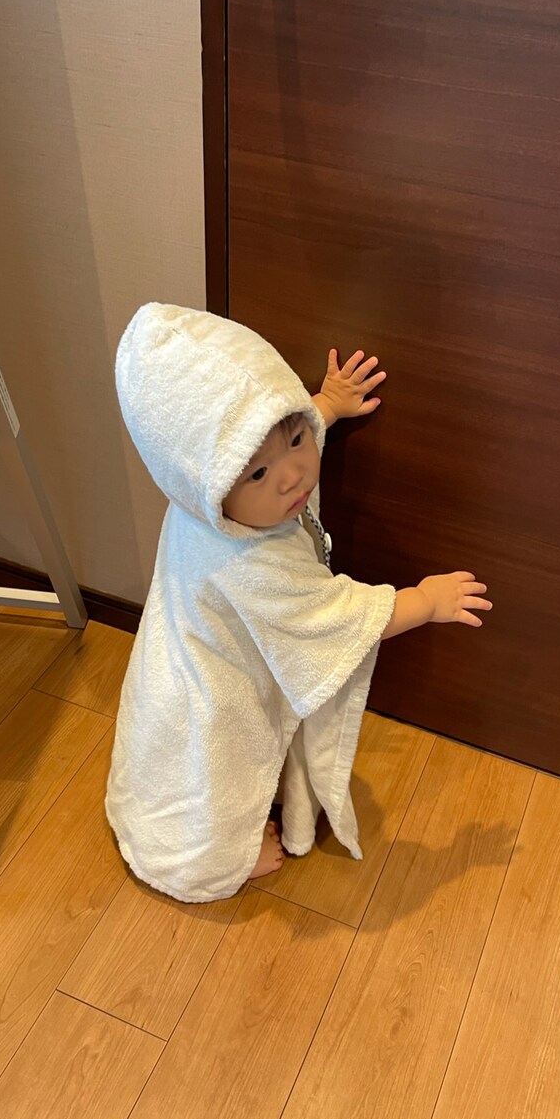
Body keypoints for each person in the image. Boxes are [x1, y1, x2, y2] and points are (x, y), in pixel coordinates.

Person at [106, 303, 492, 902]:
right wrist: (424, 600)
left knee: (173, 757)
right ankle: (218, 857)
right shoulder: (251, 563)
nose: (292, 476)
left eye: (296, 437)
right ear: (207, 483)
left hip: (173, 665)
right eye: (257, 475)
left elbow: (266, 434)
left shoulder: (204, 505)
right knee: (216, 773)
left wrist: (325, 405)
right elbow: (337, 618)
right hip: (214, 694)